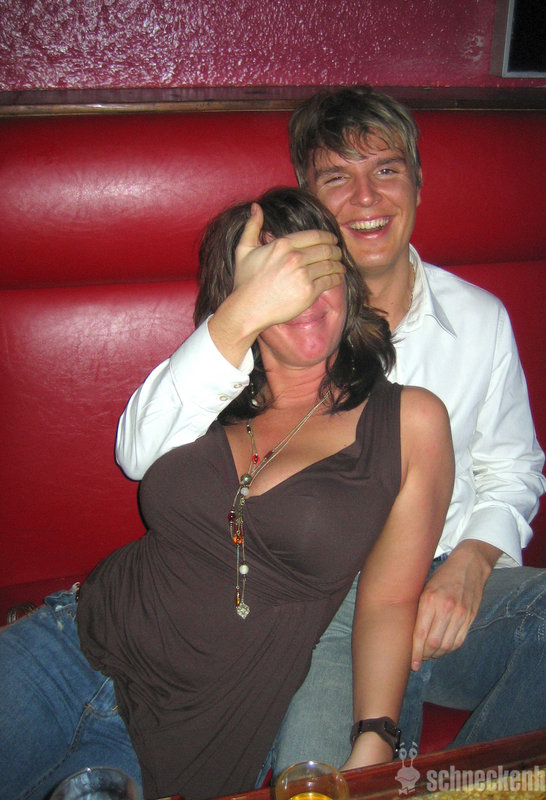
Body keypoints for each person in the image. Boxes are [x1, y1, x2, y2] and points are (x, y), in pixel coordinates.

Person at [114, 86, 546, 774]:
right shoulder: (276, 322)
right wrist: (247, 310)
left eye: (387, 170)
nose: (367, 198)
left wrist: (471, 563)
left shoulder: (480, 319)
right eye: (338, 178)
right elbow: (140, 454)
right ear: (310, 201)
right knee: (326, 773)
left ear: (417, 185)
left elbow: (513, 468)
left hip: (446, 588)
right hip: (325, 594)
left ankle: (465, 783)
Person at [0, 187, 454, 800]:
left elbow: (389, 602)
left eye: (318, 271)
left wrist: (375, 735)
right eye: (277, 282)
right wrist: (241, 317)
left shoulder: (408, 420)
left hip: (188, 734)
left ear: (348, 283)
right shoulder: (209, 389)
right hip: (66, 647)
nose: (305, 298)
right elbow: (134, 452)